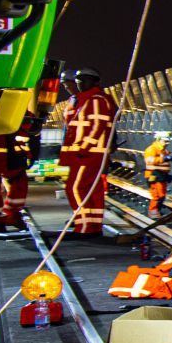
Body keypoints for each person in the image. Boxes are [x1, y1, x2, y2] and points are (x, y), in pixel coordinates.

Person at [59, 68, 118, 236]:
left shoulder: (96, 99)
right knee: (92, 190)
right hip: (88, 153)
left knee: (75, 188)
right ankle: (92, 226)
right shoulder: (88, 99)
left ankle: (84, 226)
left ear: (94, 81)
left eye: (83, 80)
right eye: (78, 81)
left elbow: (98, 125)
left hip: (88, 154)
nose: (79, 84)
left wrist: (84, 147)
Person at [143, 131, 172, 213]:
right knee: (157, 196)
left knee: (162, 196)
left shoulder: (163, 150)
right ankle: (153, 213)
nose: (167, 143)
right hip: (154, 175)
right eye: (165, 141)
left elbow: (167, 157)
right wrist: (165, 158)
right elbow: (149, 161)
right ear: (159, 140)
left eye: (168, 141)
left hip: (162, 176)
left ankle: (156, 212)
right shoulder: (151, 149)